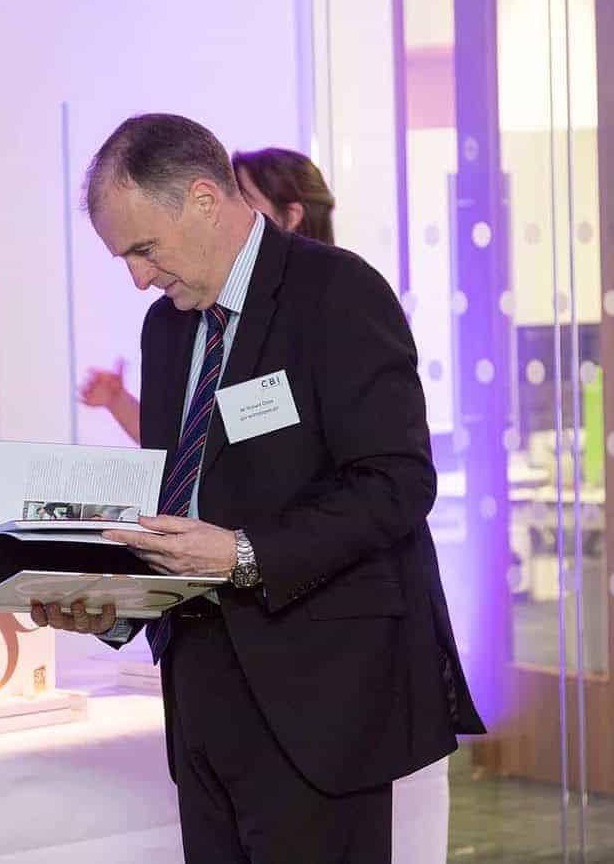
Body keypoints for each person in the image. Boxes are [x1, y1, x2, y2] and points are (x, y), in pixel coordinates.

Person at [33, 113, 484, 862]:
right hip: (199, 693)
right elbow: (176, 504)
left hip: (319, 696)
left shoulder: (336, 292)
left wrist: (244, 553)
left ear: (204, 200)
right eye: (125, 259)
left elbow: (396, 482)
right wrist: (112, 603)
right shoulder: (166, 329)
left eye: (145, 249)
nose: (139, 277)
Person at [80, 146, 335, 442]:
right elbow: (190, 445)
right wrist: (118, 401)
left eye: (244, 200)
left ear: (291, 216)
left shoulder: (334, 305)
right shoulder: (178, 318)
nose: (140, 279)